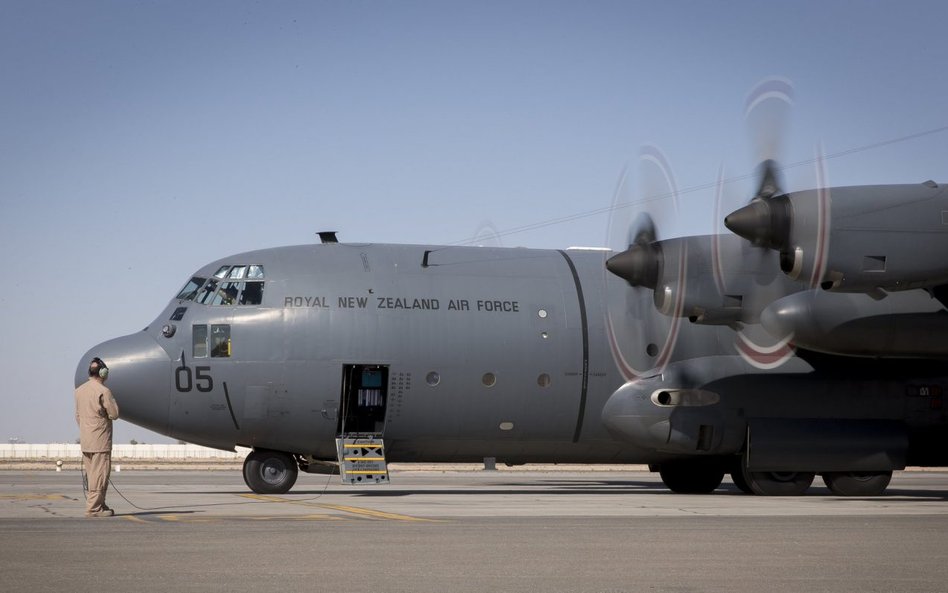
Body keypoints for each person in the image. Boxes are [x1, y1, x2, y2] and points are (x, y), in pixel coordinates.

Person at [74, 357, 120, 517]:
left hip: (86, 440)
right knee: (99, 476)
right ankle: (94, 509)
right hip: (100, 441)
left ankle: (100, 504)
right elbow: (114, 414)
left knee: (91, 475)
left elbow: (78, 416)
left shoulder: (79, 391)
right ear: (103, 372)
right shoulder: (104, 391)